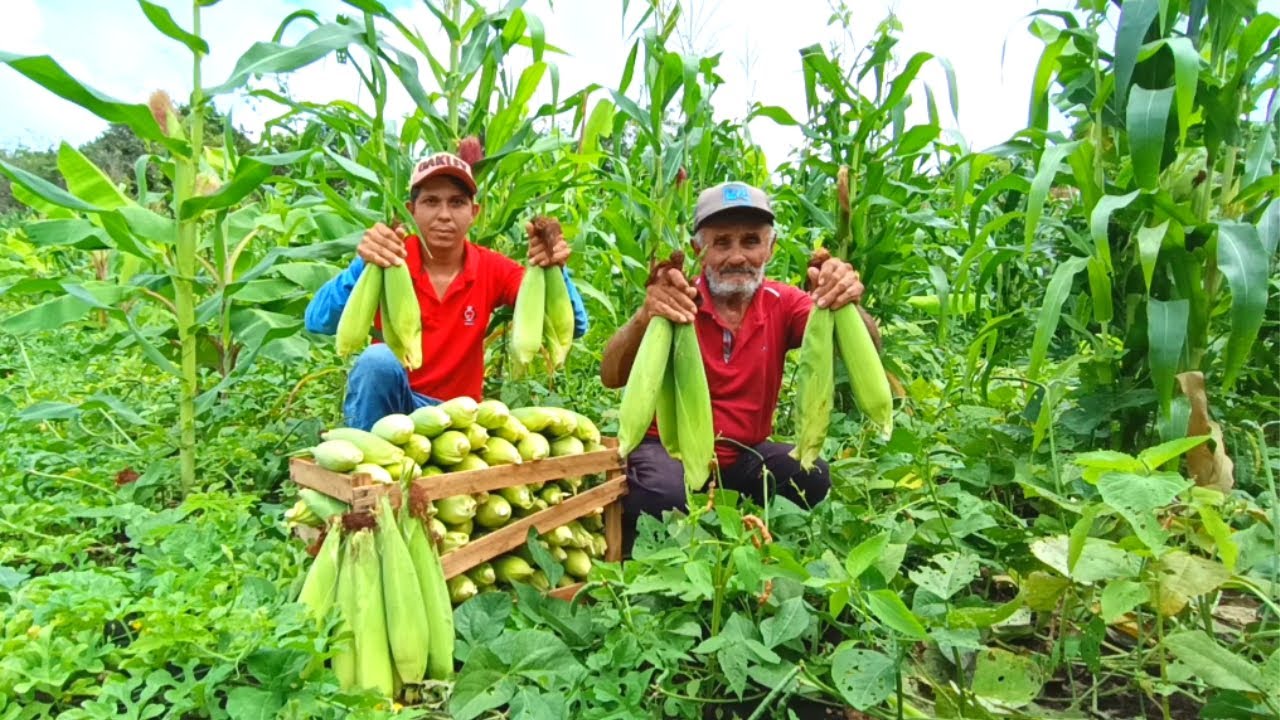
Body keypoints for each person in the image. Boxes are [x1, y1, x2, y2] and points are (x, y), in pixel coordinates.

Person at [600, 181, 880, 549]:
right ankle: (653, 555)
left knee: (810, 476)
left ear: (770, 247)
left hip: (742, 455)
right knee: (663, 494)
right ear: (698, 250)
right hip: (669, 452)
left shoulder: (784, 303)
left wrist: (845, 302)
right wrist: (644, 316)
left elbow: (867, 349)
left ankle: (743, 531)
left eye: (750, 241)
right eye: (721, 242)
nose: (737, 256)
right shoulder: (676, 301)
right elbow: (611, 376)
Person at [305, 151, 589, 429]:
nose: (444, 215)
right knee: (376, 361)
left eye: (456, 203)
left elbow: (575, 326)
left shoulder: (492, 268)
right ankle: (371, 468)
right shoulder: (389, 261)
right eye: (431, 201)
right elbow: (317, 321)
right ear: (411, 209)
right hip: (392, 412)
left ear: (474, 212)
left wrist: (554, 269)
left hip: (459, 419)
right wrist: (362, 265)